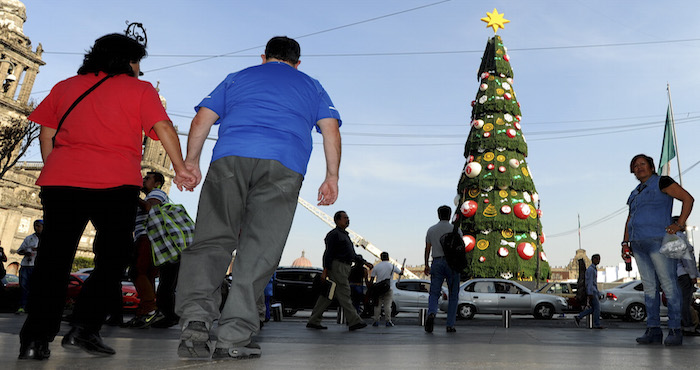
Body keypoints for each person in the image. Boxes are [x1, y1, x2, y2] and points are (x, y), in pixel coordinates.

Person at [18, 31, 194, 361]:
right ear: (127, 61)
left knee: (53, 261)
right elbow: (165, 129)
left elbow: (47, 134)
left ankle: (34, 340)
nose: (139, 69)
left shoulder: (65, 86)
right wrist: (182, 168)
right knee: (113, 259)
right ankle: (84, 327)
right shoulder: (140, 90)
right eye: (137, 61)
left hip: (61, 181)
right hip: (115, 183)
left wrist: (55, 166)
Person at [175, 36, 341, 360]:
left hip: (229, 160)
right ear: (298, 62)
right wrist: (331, 177)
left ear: (264, 57)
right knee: (259, 252)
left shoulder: (238, 77)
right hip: (283, 165)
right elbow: (331, 129)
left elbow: (202, 120)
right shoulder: (313, 86)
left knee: (210, 242)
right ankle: (232, 338)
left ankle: (194, 330)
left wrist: (190, 163)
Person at [623, 154, 694, 346]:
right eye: (635, 166)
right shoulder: (635, 192)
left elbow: (688, 199)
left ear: (652, 167)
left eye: (642, 164)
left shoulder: (662, 181)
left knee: (669, 285)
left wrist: (679, 224)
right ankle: (653, 329)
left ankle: (674, 329)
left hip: (659, 241)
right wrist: (625, 243)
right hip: (638, 244)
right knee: (649, 288)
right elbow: (630, 218)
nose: (639, 168)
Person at [307, 211, 372, 331]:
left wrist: (364, 262)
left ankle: (314, 320)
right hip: (338, 267)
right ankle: (354, 321)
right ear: (337, 220)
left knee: (328, 295)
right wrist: (325, 270)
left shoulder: (344, 235)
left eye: (348, 218)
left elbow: (351, 254)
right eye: (345, 218)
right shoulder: (334, 235)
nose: (348, 220)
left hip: (344, 267)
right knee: (344, 292)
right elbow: (328, 253)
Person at [123, 171, 168, 328]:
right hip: (147, 237)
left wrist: (132, 197)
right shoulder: (152, 194)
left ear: (157, 183)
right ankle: (144, 314)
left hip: (147, 237)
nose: (143, 180)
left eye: (147, 178)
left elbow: (151, 209)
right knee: (147, 275)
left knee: (137, 271)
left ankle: (150, 308)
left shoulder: (157, 193)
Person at [424, 205, 460, 333]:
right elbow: (460, 248)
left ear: (438, 215)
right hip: (452, 264)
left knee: (434, 292)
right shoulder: (455, 230)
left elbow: (427, 248)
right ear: (450, 215)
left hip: (437, 261)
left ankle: (432, 313)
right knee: (453, 295)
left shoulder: (431, 230)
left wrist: (426, 264)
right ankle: (450, 325)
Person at [671, 216, 700, 336]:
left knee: (678, 301)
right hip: (684, 274)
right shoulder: (680, 238)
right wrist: (693, 275)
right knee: (685, 302)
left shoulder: (668, 238)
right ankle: (688, 326)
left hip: (674, 275)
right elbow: (686, 259)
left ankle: (679, 324)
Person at [16, 220, 42, 314]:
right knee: (24, 286)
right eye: (35, 226)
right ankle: (22, 306)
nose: (36, 228)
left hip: (36, 265)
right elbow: (19, 251)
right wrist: (25, 252)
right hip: (26, 265)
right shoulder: (29, 238)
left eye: (38, 226)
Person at [370, 252, 403, 327]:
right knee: (387, 306)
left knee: (377, 305)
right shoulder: (392, 266)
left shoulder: (376, 266)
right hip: (388, 287)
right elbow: (400, 273)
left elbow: (372, 279)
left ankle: (376, 321)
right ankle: (388, 321)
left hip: (378, 289)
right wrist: (402, 270)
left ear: (381, 258)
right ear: (388, 258)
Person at [574, 254, 603, 329]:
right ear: (593, 259)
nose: (598, 261)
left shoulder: (593, 269)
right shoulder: (591, 270)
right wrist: (590, 292)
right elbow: (589, 282)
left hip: (594, 291)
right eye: (597, 259)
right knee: (597, 308)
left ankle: (579, 316)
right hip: (592, 291)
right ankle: (597, 324)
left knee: (593, 308)